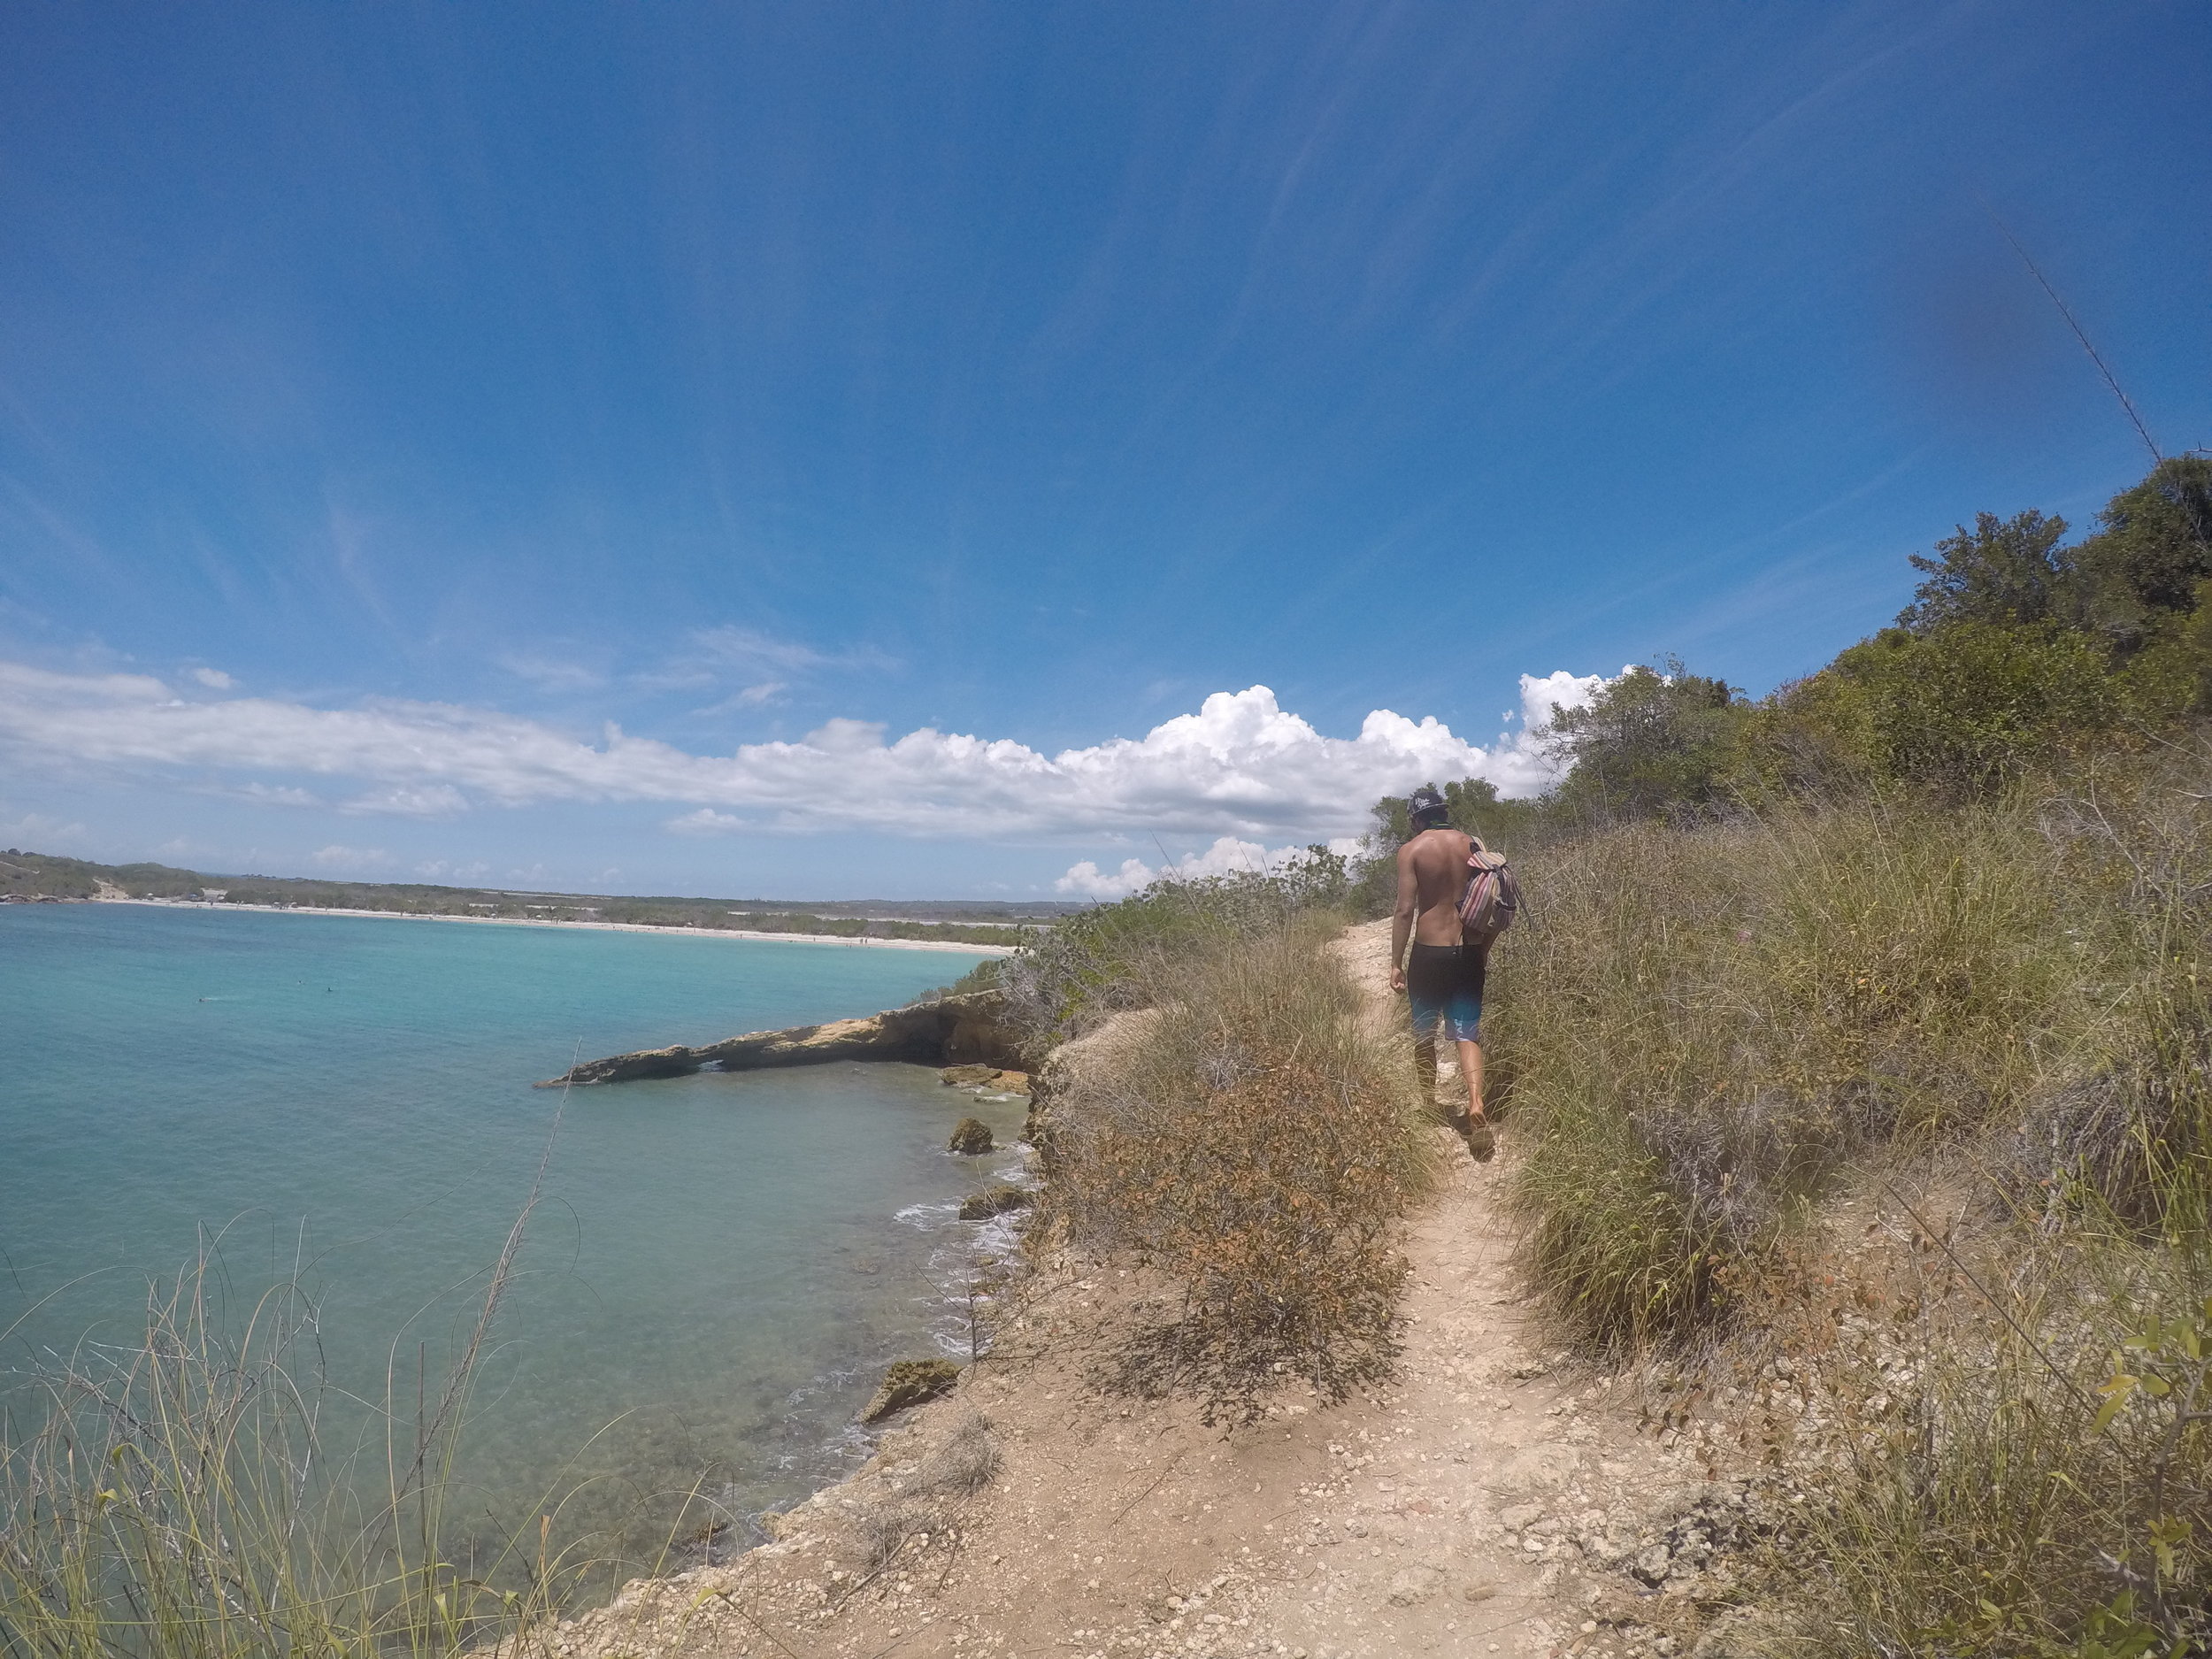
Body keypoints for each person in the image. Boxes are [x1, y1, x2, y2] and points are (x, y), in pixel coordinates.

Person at [1387, 785, 1494, 1159]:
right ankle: (1477, 1103)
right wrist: (1483, 950)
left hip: (1429, 954)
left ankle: (1430, 1102)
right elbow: (1492, 897)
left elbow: (1404, 910)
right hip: (1467, 949)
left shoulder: (1412, 850)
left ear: (1417, 818)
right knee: (1467, 1033)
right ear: (1443, 812)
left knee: (1424, 1032)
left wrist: (1396, 962)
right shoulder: (1472, 845)